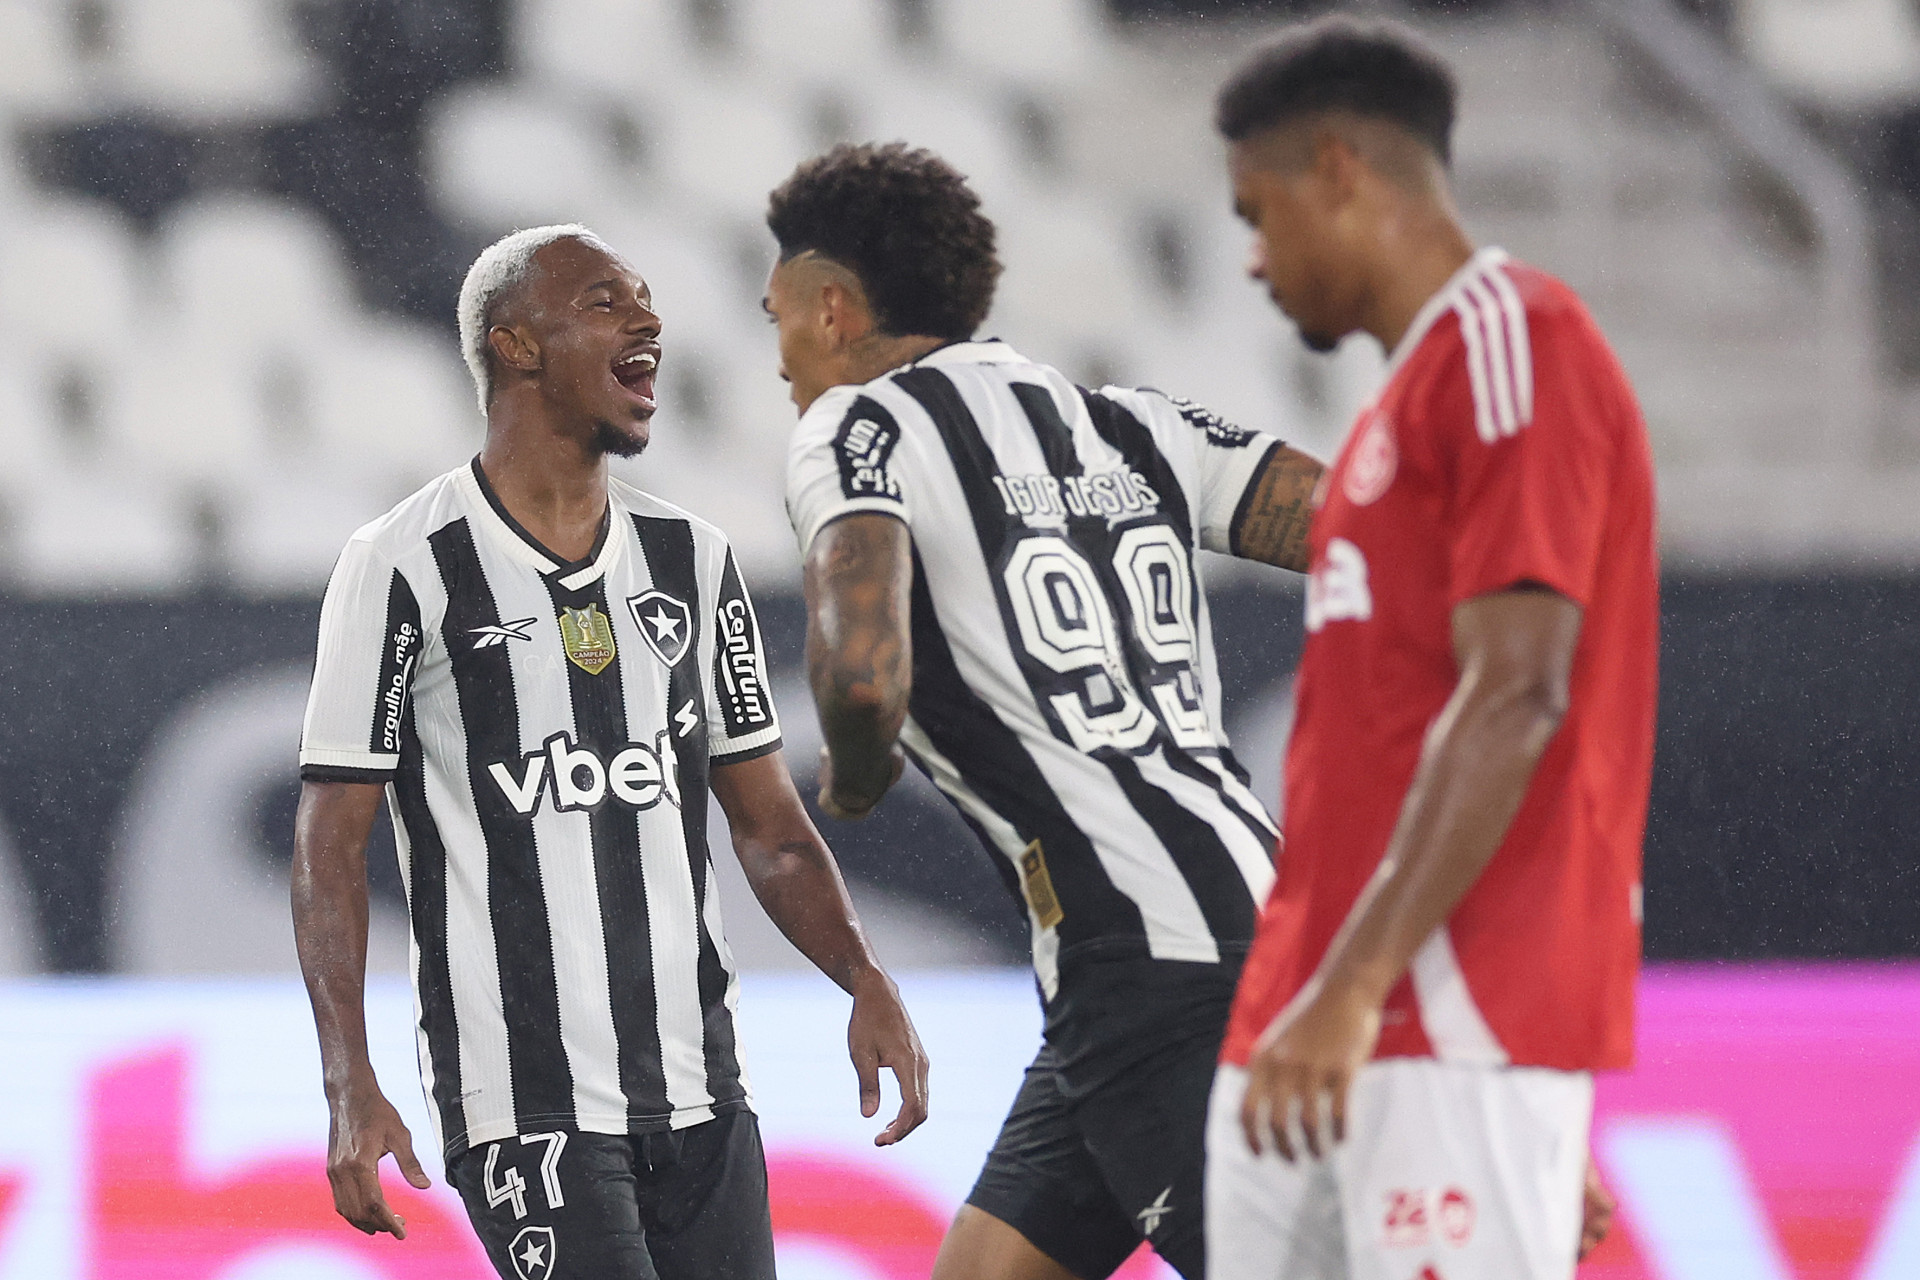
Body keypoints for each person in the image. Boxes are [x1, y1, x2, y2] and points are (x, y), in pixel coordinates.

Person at [291, 223, 929, 1280]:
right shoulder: (403, 564)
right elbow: (329, 842)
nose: (649, 322)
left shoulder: (694, 559)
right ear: (517, 345)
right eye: (604, 303)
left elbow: (767, 826)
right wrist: (348, 1077)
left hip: (704, 1094)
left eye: (646, 300)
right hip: (525, 1101)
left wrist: (862, 973)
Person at [762, 142, 1325, 1280]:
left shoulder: (858, 429)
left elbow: (864, 670)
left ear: (832, 305)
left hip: (1153, 970)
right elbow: (1380, 524)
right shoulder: (1131, 425)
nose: (776, 356)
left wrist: (857, 773)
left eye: (775, 313)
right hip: (1242, 922)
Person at [1203, 19, 1655, 1280]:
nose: (1253, 258)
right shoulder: (1391, 414)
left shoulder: (1520, 343)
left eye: (1261, 210)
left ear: (1339, 171)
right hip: (1318, 1020)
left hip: (1426, 1015)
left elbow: (1518, 695)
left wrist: (1454, 1043)